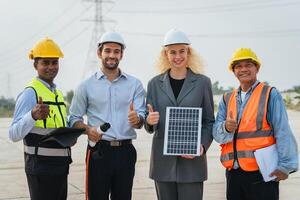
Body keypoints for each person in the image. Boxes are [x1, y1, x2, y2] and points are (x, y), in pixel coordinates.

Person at [213, 47, 299, 200]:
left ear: (257, 68)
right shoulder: (227, 98)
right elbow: (217, 135)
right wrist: (225, 127)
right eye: (238, 66)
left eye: (248, 65)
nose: (243, 69)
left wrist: (285, 167)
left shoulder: (270, 94)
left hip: (262, 173)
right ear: (233, 71)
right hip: (234, 173)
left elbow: (283, 130)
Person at [68, 31, 146, 200]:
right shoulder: (85, 86)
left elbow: (141, 118)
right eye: (108, 50)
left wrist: (138, 119)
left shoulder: (135, 85)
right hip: (98, 151)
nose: (112, 55)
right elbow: (73, 119)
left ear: (122, 55)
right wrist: (88, 130)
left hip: (126, 152)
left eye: (116, 51)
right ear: (99, 53)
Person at [144, 29, 215, 200]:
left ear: (188, 52)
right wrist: (149, 121)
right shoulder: (154, 84)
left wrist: (202, 146)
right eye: (172, 52)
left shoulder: (202, 83)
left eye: (182, 51)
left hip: (192, 163)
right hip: (163, 164)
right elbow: (149, 126)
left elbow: (209, 122)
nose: (178, 56)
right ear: (165, 54)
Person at [9, 38, 71, 200]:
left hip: (60, 167)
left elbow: (54, 129)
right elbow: (13, 134)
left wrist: (69, 138)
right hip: (40, 169)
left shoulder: (57, 94)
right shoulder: (31, 93)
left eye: (54, 62)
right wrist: (32, 116)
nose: (51, 67)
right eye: (45, 62)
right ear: (35, 65)